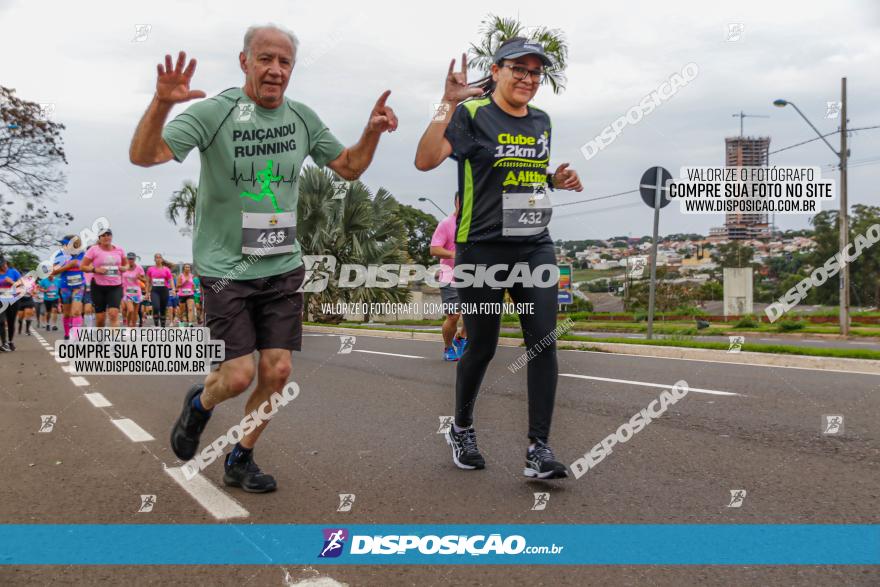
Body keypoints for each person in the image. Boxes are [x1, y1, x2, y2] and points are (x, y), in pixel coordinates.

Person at [129, 24, 397, 493]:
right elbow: (144, 155)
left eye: (284, 61)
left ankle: (241, 456)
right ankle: (200, 405)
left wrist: (371, 132)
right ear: (244, 61)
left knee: (277, 371)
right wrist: (164, 103)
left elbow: (350, 167)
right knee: (236, 376)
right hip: (223, 268)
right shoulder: (215, 113)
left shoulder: (302, 118)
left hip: (280, 264)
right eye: (265, 59)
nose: (275, 70)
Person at [414, 38, 582, 479]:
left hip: (534, 245)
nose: (528, 78)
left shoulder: (542, 121)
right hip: (481, 248)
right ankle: (462, 427)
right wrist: (445, 105)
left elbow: (513, 171)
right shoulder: (471, 114)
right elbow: (425, 159)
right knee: (483, 347)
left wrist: (554, 179)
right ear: (497, 70)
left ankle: (538, 449)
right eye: (518, 69)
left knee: (543, 340)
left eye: (535, 72)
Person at [430, 195, 468, 361]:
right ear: (457, 202)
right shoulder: (446, 223)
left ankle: (461, 338)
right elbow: (434, 249)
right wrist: (454, 253)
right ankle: (448, 348)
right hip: (450, 276)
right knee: (453, 316)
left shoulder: (476, 224)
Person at [80, 228, 126, 327]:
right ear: (99, 238)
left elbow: (126, 266)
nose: (106, 237)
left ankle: (114, 341)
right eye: (103, 235)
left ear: (111, 236)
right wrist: (95, 270)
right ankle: (101, 340)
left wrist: (123, 268)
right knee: (100, 319)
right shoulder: (93, 250)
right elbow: (83, 266)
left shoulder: (120, 250)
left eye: (108, 235)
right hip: (98, 286)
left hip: (115, 286)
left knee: (113, 314)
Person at [50, 235, 87, 340]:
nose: (63, 245)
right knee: (67, 313)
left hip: (79, 286)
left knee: (76, 312)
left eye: (64, 243)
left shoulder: (83, 254)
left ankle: (75, 337)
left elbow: (89, 267)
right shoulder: (60, 255)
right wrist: (68, 266)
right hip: (65, 286)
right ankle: (67, 333)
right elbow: (53, 271)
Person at [145, 254, 173, 327]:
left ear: (162, 259)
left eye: (159, 257)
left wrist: (173, 289)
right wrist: (147, 292)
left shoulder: (166, 269)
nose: (158, 259)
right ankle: (156, 325)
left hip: (164, 290)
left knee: (163, 309)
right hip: (155, 291)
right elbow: (147, 281)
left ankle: (163, 326)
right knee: (156, 307)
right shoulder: (150, 269)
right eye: (156, 258)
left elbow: (171, 280)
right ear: (154, 260)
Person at [0, 258, 21, 351]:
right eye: (2, 266)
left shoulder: (14, 272)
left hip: (13, 301)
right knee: (1, 321)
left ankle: (10, 341)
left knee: (11, 322)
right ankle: (4, 343)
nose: (4, 267)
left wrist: (12, 282)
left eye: (5, 265)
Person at [122, 253, 146, 327]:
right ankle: (128, 325)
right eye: (129, 258)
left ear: (135, 259)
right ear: (127, 259)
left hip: (136, 292)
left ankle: (133, 327)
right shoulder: (123, 268)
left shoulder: (139, 268)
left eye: (132, 259)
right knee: (130, 310)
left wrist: (139, 278)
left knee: (135, 312)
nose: (130, 260)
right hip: (126, 292)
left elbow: (145, 280)